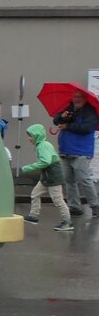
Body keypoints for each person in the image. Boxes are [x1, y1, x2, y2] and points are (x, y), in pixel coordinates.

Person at [52, 88, 98, 218]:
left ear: (85, 99)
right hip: (65, 151)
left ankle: (95, 206)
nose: (76, 99)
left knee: (84, 179)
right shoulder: (69, 108)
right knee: (69, 180)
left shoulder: (90, 112)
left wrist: (68, 126)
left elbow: (87, 128)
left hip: (81, 152)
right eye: (75, 96)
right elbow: (56, 120)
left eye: (80, 97)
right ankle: (74, 206)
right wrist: (62, 117)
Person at [20, 123, 72, 232]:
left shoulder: (43, 146)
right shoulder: (42, 145)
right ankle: (33, 216)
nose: (29, 138)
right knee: (35, 194)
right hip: (47, 177)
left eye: (30, 135)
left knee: (58, 201)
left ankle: (67, 222)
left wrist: (28, 168)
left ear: (36, 135)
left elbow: (45, 161)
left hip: (53, 177)